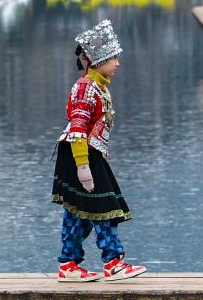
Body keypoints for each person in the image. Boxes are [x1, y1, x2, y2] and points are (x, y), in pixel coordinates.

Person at [51, 19, 145, 281]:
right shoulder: (85, 88)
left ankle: (68, 263)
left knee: (79, 211)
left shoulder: (98, 86)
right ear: (97, 60)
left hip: (88, 154)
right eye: (113, 58)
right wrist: (83, 167)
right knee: (105, 207)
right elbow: (78, 128)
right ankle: (113, 261)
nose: (117, 64)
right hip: (80, 154)